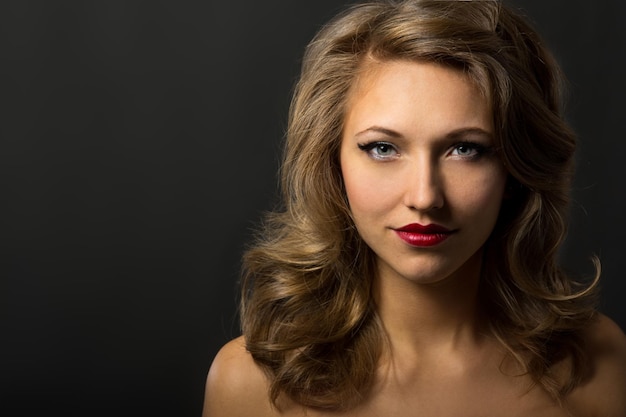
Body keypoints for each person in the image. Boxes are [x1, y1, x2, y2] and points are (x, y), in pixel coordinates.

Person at [203, 1, 626, 415]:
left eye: (465, 149)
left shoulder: (601, 364)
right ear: (332, 162)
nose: (424, 197)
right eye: (383, 148)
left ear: (516, 169)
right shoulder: (249, 384)